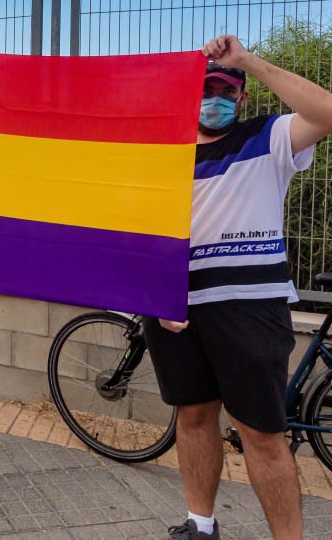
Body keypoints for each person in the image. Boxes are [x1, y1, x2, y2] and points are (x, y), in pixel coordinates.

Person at [143, 36, 332, 540]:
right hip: (174, 309)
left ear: (243, 97)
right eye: (204, 89)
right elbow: (133, 228)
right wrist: (153, 292)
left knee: (263, 435)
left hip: (249, 306)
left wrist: (247, 61)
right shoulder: (161, 152)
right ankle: (201, 525)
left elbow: (328, 112)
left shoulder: (268, 138)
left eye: (226, 89)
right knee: (194, 415)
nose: (214, 98)